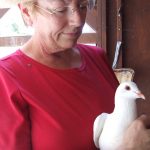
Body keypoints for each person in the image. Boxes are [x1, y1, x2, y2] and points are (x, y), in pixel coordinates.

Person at [0, 0, 150, 149]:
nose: (78, 20)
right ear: (27, 13)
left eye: (83, 5)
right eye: (60, 10)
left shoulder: (97, 58)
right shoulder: (7, 77)